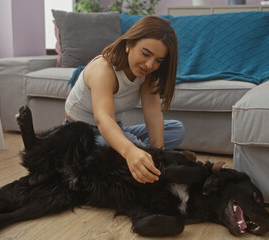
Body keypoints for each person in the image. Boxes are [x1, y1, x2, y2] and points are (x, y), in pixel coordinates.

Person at [64, 16, 184, 184]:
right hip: (81, 135)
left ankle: (144, 157)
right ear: (129, 44)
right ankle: (136, 155)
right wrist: (129, 151)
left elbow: (153, 115)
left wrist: (160, 154)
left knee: (176, 129)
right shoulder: (103, 70)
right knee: (129, 145)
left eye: (158, 61)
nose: (149, 65)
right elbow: (103, 118)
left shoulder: (148, 76)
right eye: (145, 54)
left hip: (115, 129)